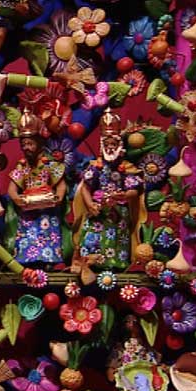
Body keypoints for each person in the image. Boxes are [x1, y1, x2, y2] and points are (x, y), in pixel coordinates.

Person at [73, 108, 147, 271]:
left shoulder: (126, 168)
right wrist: (90, 204)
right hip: (98, 211)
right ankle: (89, 263)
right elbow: (85, 187)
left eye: (113, 144)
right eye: (107, 145)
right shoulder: (96, 167)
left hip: (118, 212)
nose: (110, 148)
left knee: (117, 238)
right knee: (93, 238)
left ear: (120, 146)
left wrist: (124, 195)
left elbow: (134, 190)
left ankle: (116, 264)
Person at [7, 109, 66, 267]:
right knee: (28, 234)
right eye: (24, 145)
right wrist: (17, 199)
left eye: (30, 144)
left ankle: (49, 259)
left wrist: (58, 198)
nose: (27, 148)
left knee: (48, 233)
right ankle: (28, 260)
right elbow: (12, 189)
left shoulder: (49, 164)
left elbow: (61, 185)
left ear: (39, 143)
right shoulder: (23, 167)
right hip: (28, 208)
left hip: (47, 207)